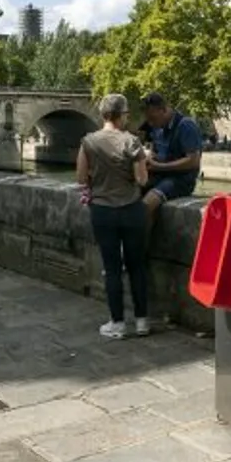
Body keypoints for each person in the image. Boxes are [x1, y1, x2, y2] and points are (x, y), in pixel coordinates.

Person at [76, 94, 151, 340]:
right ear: (121, 115)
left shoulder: (88, 142)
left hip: (103, 211)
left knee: (112, 268)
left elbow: (80, 177)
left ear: (103, 115)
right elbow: (142, 180)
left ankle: (117, 324)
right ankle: (142, 321)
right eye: (127, 113)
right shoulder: (132, 142)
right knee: (137, 266)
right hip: (131, 209)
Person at [138, 93, 203, 229]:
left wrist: (160, 166)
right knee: (128, 195)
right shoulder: (157, 126)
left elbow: (193, 161)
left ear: (164, 109)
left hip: (180, 179)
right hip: (160, 174)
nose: (151, 123)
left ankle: (139, 248)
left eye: (153, 118)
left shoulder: (186, 126)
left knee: (146, 206)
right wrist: (150, 159)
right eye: (148, 119)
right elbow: (155, 150)